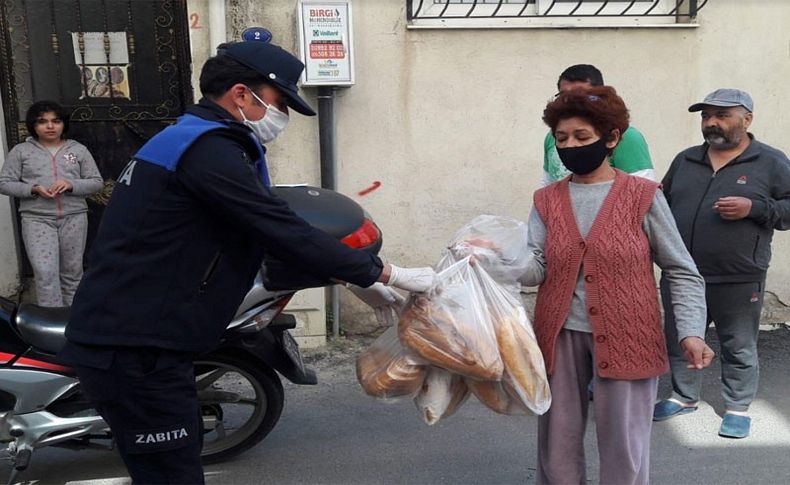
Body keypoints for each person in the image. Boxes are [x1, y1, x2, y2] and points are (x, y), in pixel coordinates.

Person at [59, 40, 434, 484]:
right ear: (241, 94)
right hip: (136, 346)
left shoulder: (192, 139)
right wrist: (385, 272)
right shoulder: (207, 149)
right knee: (171, 474)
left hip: (144, 337)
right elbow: (276, 225)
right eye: (279, 103)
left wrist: (347, 276)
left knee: (173, 466)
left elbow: (253, 239)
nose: (283, 117)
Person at [519, 86, 713, 484]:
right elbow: (535, 268)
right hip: (559, 336)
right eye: (561, 138)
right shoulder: (547, 200)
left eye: (581, 137)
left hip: (629, 333)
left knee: (624, 448)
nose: (570, 146)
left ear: (611, 139)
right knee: (556, 446)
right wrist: (495, 260)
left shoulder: (642, 196)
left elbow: (681, 269)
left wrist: (691, 332)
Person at [653, 89, 790, 439]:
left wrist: (755, 209)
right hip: (682, 274)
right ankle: (684, 397)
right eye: (706, 115)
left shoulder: (771, 162)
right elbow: (662, 206)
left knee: (738, 344)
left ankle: (737, 407)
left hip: (739, 275)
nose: (711, 122)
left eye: (722, 115)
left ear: (747, 119)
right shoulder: (686, 160)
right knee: (681, 338)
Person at [0, 101, 103, 307]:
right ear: (33, 125)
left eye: (56, 121)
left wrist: (70, 184)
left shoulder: (78, 150)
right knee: (45, 273)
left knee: (73, 273)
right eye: (42, 121)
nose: (50, 126)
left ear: (63, 124)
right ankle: (50, 323)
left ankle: (72, 321)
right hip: (37, 219)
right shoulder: (21, 151)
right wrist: (33, 189)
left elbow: (96, 182)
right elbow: (4, 183)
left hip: (74, 218)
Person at [541, 64, 655, 186]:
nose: (572, 101)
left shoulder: (628, 136)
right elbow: (547, 182)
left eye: (582, 137)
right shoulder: (552, 137)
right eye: (564, 96)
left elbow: (642, 189)